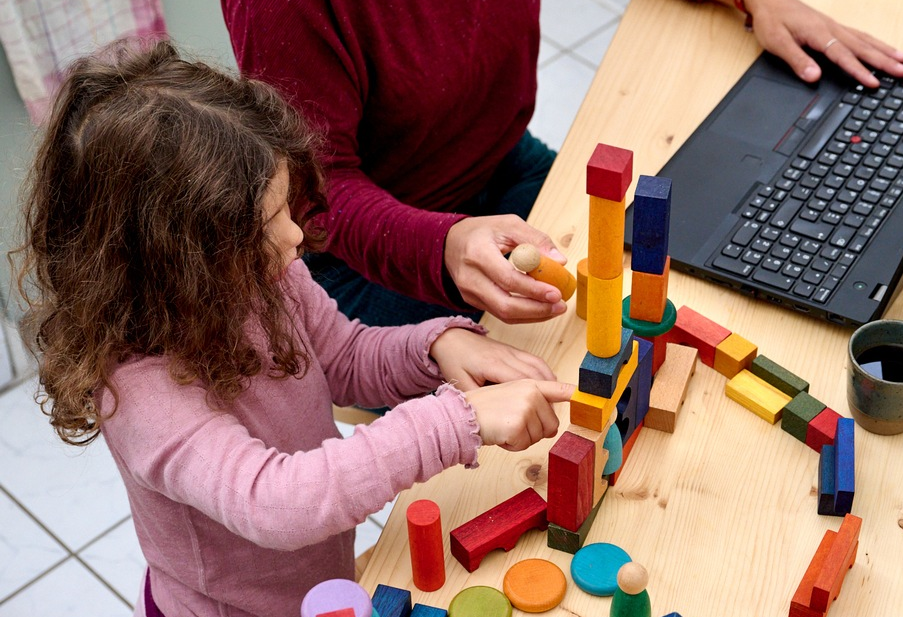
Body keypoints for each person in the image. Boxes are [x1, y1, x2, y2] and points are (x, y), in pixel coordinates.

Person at [11, 40, 574, 617]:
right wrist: (458, 420)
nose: (294, 237)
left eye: (285, 209)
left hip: (321, 586)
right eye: (266, 223)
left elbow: (346, 355)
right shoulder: (140, 394)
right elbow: (280, 503)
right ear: (179, 258)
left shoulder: (258, 278)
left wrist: (436, 346)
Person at [215, 0, 903, 327]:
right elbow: (317, 195)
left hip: (495, 168)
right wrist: (446, 243)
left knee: (686, 292)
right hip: (366, 257)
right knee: (585, 384)